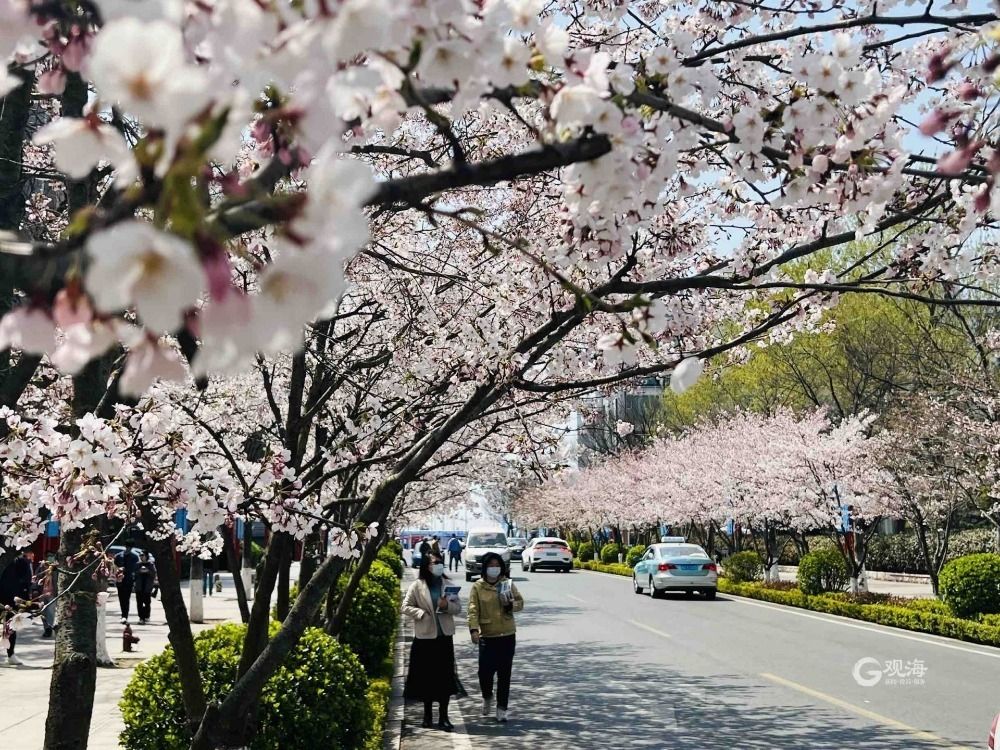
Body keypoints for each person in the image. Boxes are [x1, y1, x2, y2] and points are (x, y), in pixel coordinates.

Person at [402, 551, 462, 732]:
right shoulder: (417, 586)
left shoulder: (448, 585)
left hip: (444, 638)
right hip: (425, 638)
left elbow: (458, 608)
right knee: (426, 678)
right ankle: (427, 715)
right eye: (434, 563)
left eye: (440, 562)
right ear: (426, 566)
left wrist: (447, 606)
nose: (438, 565)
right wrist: (420, 614)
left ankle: (444, 716)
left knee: (444, 679)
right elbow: (405, 606)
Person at [468, 551, 523, 723]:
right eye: (491, 566)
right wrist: (473, 629)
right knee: (484, 673)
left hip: (507, 634)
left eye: (497, 565)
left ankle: (502, 708)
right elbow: (472, 609)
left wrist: (510, 604)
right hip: (487, 635)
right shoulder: (477, 586)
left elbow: (520, 603)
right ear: (484, 568)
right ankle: (487, 696)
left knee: (504, 674)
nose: (494, 568)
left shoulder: (507, 584)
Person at [0, 549, 32, 665]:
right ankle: (11, 655)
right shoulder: (19, 561)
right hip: (10, 597)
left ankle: (11, 654)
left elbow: (25, 582)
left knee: (10, 626)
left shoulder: (19, 562)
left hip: (10, 598)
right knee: (10, 626)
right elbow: (26, 582)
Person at [113, 545, 139, 624]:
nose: (128, 548)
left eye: (130, 547)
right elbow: (114, 566)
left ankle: (125, 615)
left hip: (129, 580)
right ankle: (123, 614)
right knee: (121, 597)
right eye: (127, 547)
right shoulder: (118, 556)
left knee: (127, 598)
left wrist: (135, 580)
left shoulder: (134, 557)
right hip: (120, 579)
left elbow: (136, 569)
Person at [134, 552, 158, 625]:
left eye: (142, 555)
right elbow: (134, 573)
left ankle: (147, 616)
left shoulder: (150, 564)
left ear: (146, 556)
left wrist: (147, 571)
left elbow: (153, 574)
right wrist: (139, 571)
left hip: (147, 587)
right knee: (139, 603)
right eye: (140, 556)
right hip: (139, 586)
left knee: (147, 602)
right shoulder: (138, 564)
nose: (141, 557)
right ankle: (141, 617)